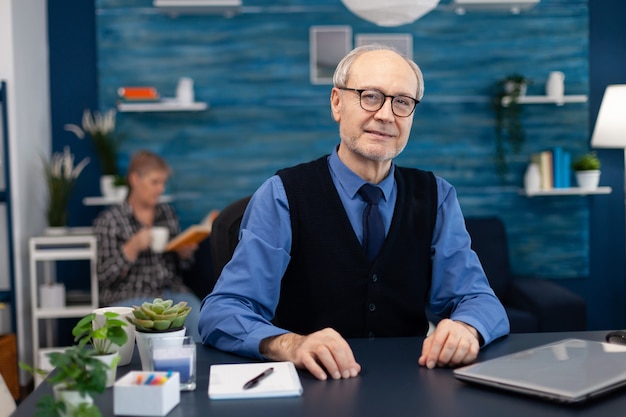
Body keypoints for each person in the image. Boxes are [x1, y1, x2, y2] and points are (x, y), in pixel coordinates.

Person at [198, 44, 510, 380]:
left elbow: (479, 299)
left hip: (410, 384)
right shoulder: (281, 195)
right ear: (336, 102)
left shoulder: (438, 196)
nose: (387, 115)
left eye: (402, 102)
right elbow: (222, 311)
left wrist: (467, 327)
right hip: (311, 386)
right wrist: (289, 344)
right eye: (370, 96)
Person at [93, 150, 202, 341]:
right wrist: (131, 249)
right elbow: (104, 276)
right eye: (155, 182)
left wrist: (183, 254)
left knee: (200, 317)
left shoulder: (166, 213)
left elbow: (183, 268)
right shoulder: (110, 220)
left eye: (163, 183)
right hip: (130, 294)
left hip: (170, 292)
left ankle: (196, 368)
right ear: (135, 179)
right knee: (157, 325)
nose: (160, 189)